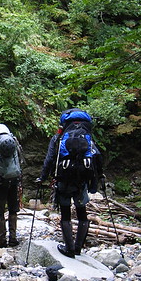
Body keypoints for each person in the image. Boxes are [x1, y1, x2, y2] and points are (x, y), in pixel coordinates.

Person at [37, 109, 103, 258]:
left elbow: (49, 160)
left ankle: (69, 249)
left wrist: (42, 177)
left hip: (63, 181)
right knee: (82, 215)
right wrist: (100, 177)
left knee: (66, 216)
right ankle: (78, 248)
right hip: (81, 182)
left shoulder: (58, 139)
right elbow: (97, 157)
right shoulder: (88, 139)